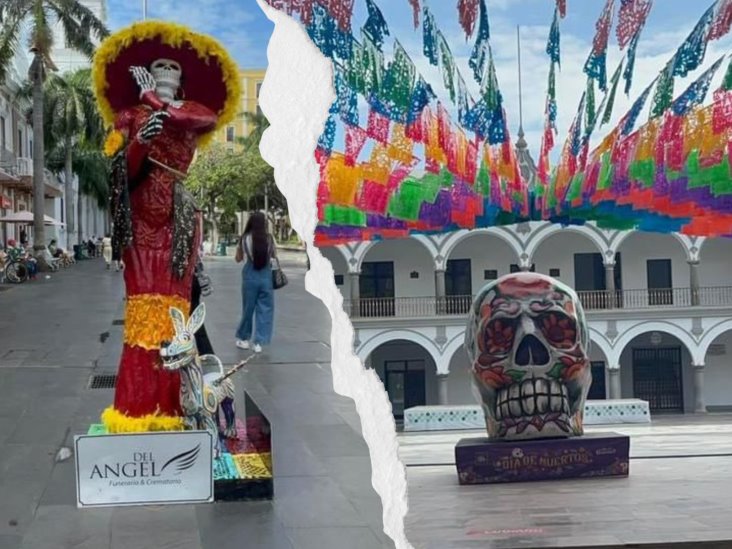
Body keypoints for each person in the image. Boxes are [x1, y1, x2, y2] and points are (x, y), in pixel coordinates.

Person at [235, 211, 276, 353]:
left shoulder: (244, 238)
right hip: (265, 276)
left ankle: (244, 339)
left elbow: (238, 258)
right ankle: (259, 342)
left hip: (250, 276)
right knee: (265, 309)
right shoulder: (269, 239)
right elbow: (274, 256)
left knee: (248, 308)